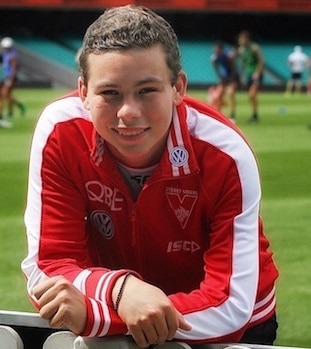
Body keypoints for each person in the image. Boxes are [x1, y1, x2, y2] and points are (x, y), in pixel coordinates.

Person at [21, 5, 279, 348]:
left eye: (147, 91)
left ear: (178, 87)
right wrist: (120, 291)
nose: (129, 112)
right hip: (115, 305)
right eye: (109, 93)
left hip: (222, 326)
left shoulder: (225, 154)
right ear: (83, 92)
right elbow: (49, 266)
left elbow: (230, 305)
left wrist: (100, 315)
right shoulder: (60, 132)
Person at [237, 30, 265, 124]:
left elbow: (261, 61)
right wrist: (242, 75)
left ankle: (255, 116)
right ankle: (254, 115)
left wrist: (257, 72)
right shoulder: (241, 50)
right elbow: (243, 63)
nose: (240, 40)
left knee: (252, 94)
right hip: (249, 74)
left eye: (242, 38)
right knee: (251, 96)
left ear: (247, 39)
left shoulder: (254, 48)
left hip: (256, 74)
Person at [210, 41, 238, 121]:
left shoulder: (229, 56)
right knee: (219, 95)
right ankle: (218, 115)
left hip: (233, 76)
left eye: (217, 49)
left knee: (231, 93)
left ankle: (233, 115)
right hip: (224, 76)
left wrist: (232, 79)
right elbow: (216, 69)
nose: (216, 51)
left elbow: (233, 68)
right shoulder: (214, 58)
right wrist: (220, 77)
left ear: (221, 49)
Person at [0, 37, 26, 119]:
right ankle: (10, 113)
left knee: (4, 94)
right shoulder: (6, 54)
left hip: (10, 78)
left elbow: (14, 68)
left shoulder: (12, 55)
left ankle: (20, 105)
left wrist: (10, 79)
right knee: (8, 95)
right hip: (8, 77)